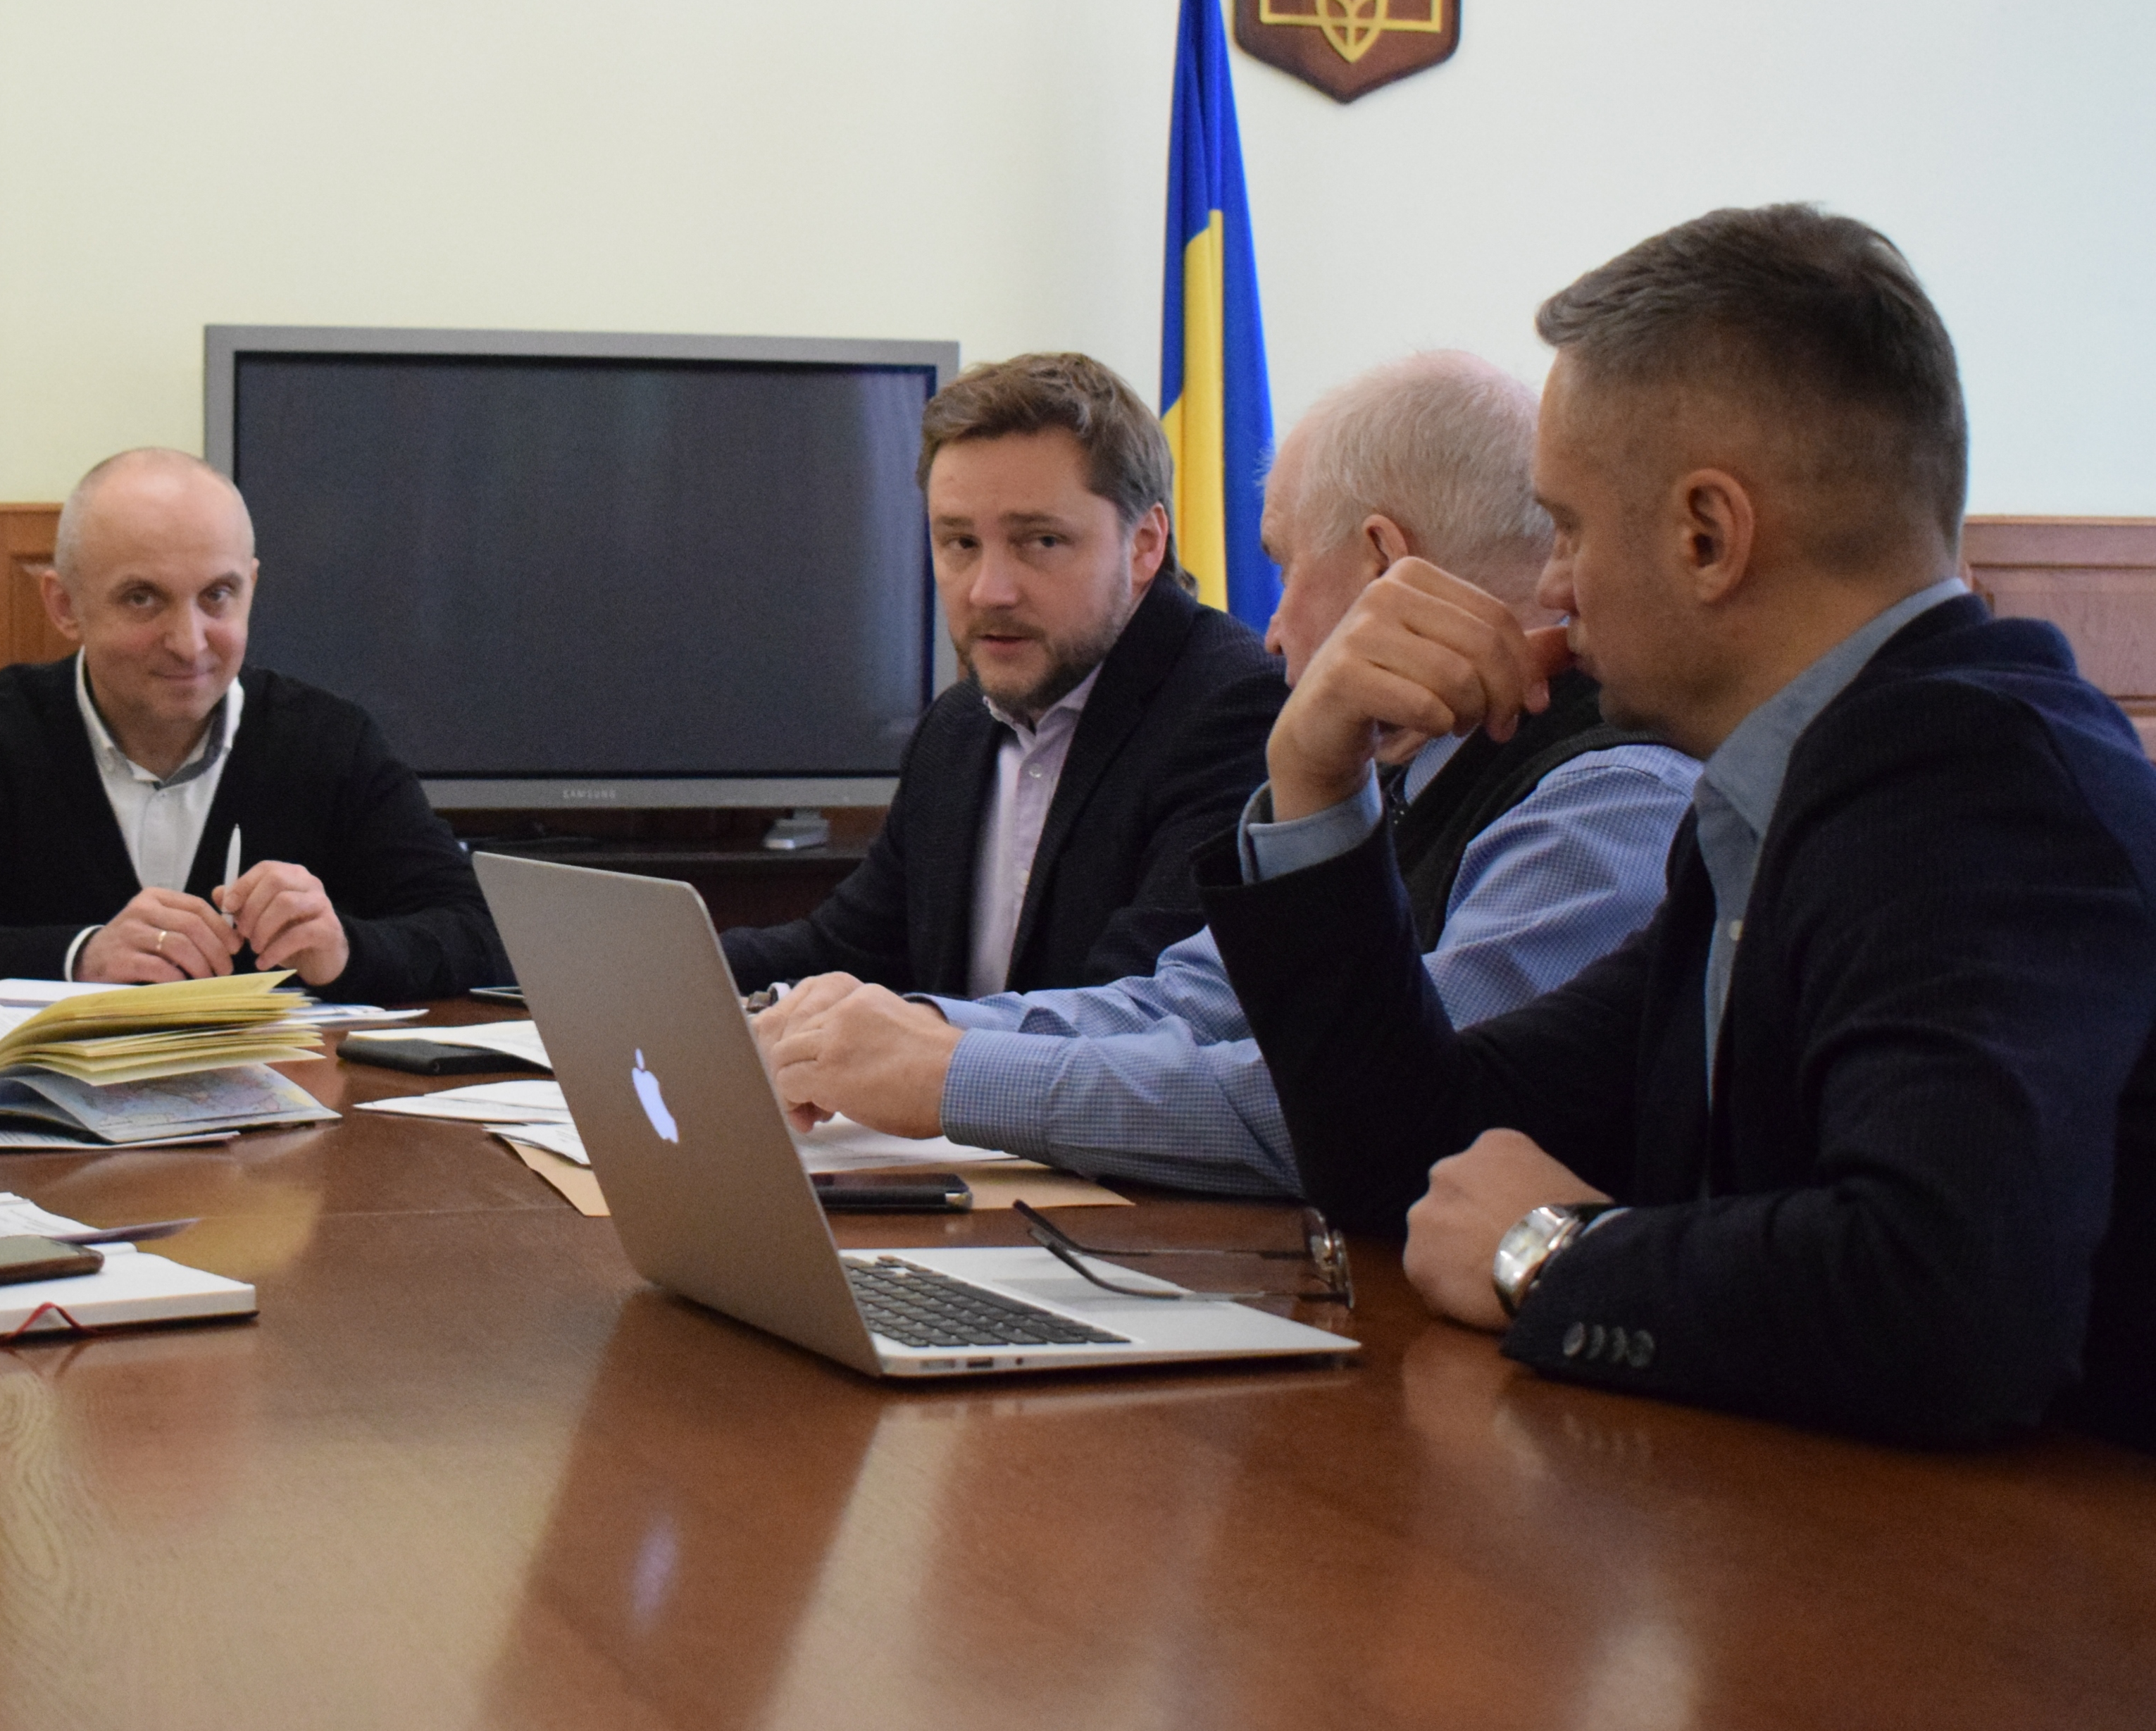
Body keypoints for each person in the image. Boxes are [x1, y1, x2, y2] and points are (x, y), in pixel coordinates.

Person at [1201, 204, 2156, 1448]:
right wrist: (1317, 782)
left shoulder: (1977, 786)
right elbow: (1413, 1153)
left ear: (1708, 535)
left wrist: (1552, 1251)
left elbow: (1946, 1292)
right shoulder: (1783, 796)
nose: (1551, 586)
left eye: (1570, 528)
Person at [758, 353, 1699, 1193]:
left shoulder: (1609, 800)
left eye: (1283, 569)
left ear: (1385, 567)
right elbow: (1192, 1002)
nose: (1273, 632)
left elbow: (1365, 1115)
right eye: (958, 541)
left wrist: (949, 1073)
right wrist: (916, 1032)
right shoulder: (1414, 768)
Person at [721, 352, 1288, 998]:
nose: (989, 591)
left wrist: (907, 1033)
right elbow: (846, 950)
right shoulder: (956, 726)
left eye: (1040, 541)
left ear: (1144, 545)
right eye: (961, 543)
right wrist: (660, 966)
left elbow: (1131, 1016)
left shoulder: (1236, 712)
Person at [0, 447, 504, 1002]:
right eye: (143, 598)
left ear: (250, 588)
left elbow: (483, 934)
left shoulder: (331, 742)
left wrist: (344, 950)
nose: (189, 643)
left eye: (217, 596)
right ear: (64, 605)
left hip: (288, 1111)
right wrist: (79, 956)